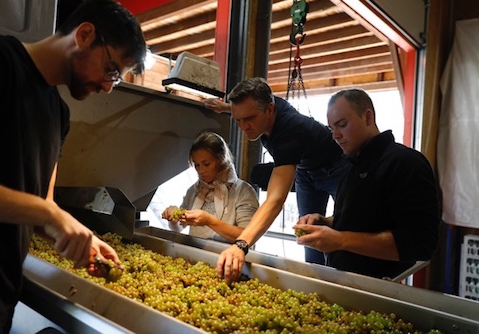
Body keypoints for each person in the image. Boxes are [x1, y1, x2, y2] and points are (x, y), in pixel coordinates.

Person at [0, 0, 148, 332]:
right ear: (85, 35)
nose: (108, 87)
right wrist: (50, 215)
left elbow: (41, 207)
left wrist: (78, 240)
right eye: (112, 70)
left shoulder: (59, 115)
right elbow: (43, 210)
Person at [206, 77, 350, 281]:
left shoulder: (289, 132)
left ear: (270, 110)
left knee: (347, 227)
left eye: (249, 119)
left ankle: (345, 283)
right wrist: (225, 107)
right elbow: (246, 110)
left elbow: (275, 200)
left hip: (337, 168)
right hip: (305, 170)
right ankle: (316, 280)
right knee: (308, 232)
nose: (243, 127)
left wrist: (241, 244)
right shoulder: (264, 104)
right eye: (238, 119)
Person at [293, 88, 440, 279]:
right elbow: (367, 220)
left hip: (379, 292)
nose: (335, 135)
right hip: (347, 286)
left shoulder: (405, 162)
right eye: (331, 129)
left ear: (368, 117)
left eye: (342, 124)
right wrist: (325, 221)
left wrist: (340, 240)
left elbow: (420, 244)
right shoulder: (351, 166)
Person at [162, 132, 259, 243]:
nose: (201, 170)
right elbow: (179, 227)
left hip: (229, 258)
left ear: (221, 158)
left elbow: (249, 236)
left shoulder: (243, 191)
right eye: (197, 165)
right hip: (195, 257)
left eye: (206, 164)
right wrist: (173, 219)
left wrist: (209, 221)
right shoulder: (194, 191)